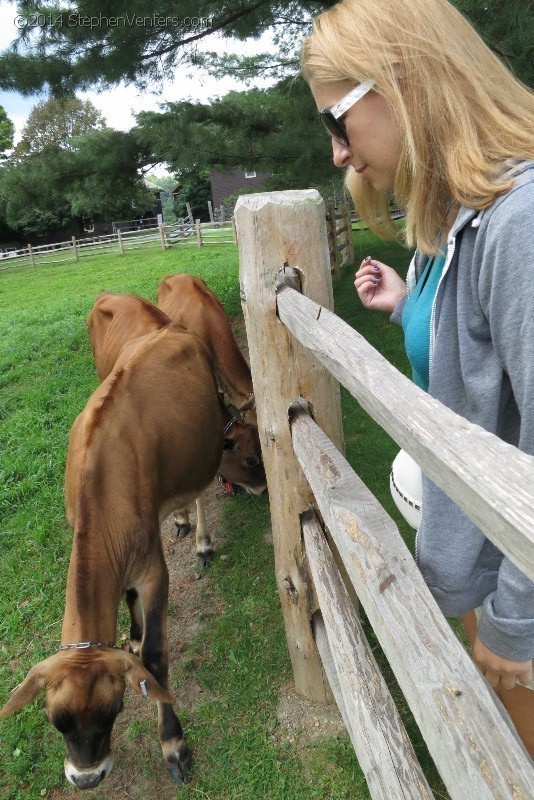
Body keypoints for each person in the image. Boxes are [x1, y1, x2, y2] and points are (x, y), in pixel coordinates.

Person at [301, 0, 534, 755]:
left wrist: (518, 618)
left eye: (337, 122)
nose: (338, 153)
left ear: (401, 81)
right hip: (486, 565)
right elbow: (477, 360)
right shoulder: (452, 219)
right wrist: (408, 307)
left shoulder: (519, 219)